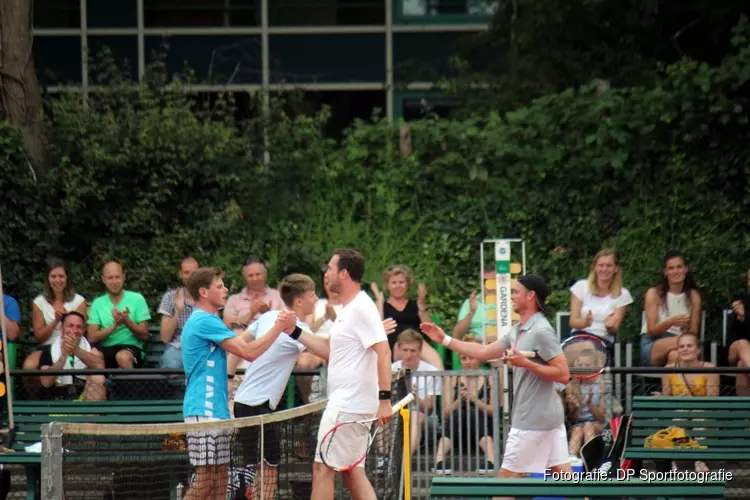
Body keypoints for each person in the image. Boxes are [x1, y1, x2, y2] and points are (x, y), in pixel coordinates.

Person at [421, 274, 572, 478]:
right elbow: (483, 352)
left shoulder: (541, 330)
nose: (511, 297)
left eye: (516, 292)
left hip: (533, 419)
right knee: (566, 479)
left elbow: (563, 374)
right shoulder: (518, 330)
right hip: (545, 417)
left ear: (531, 296)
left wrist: (526, 363)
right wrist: (445, 339)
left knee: (505, 483)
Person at [280, 249, 393, 500]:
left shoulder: (361, 307)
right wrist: (294, 330)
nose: (326, 273)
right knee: (352, 472)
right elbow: (329, 350)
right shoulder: (350, 309)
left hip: (349, 405)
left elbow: (384, 351)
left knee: (322, 468)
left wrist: (385, 399)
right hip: (350, 404)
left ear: (343, 273)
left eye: (330, 268)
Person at [180, 267, 297, 500]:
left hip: (217, 410)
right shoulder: (203, 320)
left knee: (221, 478)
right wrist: (278, 327)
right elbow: (248, 351)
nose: (225, 289)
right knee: (205, 481)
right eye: (219, 285)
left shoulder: (211, 320)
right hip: (203, 410)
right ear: (204, 292)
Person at [431, 335, 494, 474]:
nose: (467, 362)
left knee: (473, 413)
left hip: (483, 426)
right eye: (463, 358)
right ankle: (439, 460)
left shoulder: (490, 377)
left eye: (471, 357)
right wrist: (459, 401)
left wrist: (474, 400)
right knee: (458, 412)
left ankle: (491, 459)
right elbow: (445, 412)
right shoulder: (453, 379)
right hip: (456, 428)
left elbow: (494, 411)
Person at [659, 332, 717, 473]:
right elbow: (667, 399)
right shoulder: (669, 370)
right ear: (677, 350)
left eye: (689, 346)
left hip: (702, 414)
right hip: (679, 412)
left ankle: (699, 459)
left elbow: (713, 399)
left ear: (698, 350)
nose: (685, 349)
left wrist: (691, 401)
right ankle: (674, 460)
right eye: (681, 346)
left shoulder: (710, 369)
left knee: (699, 415)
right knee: (680, 413)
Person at [370, 264, 443, 369]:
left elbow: (429, 328)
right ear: (388, 286)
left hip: (417, 342)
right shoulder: (383, 306)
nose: (398, 286)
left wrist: (422, 306)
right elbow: (376, 330)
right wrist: (379, 301)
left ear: (407, 284)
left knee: (421, 349)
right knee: (406, 349)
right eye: (394, 283)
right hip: (396, 345)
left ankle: (444, 381)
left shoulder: (415, 304)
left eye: (401, 282)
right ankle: (405, 384)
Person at [23, 259, 87, 370]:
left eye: (61, 276)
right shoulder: (39, 302)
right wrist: (56, 321)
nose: (57, 280)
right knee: (29, 366)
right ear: (48, 279)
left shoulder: (79, 301)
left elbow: (81, 331)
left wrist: (67, 320)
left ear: (67, 278)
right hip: (47, 346)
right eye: (53, 276)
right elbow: (39, 337)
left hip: (73, 346)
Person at [640, 251, 702, 367]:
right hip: (654, 344)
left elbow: (694, 333)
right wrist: (670, 322)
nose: (675, 271)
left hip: (682, 346)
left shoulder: (693, 295)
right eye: (671, 268)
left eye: (679, 267)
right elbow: (651, 331)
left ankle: (671, 385)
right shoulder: (654, 293)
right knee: (690, 345)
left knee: (675, 356)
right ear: (665, 272)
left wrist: (687, 328)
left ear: (686, 269)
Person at [568, 249, 633, 356]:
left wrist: (609, 325)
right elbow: (573, 322)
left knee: (589, 350)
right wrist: (585, 323)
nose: (604, 269)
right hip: (578, 336)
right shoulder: (581, 287)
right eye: (601, 265)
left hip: (602, 340)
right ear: (595, 267)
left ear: (616, 268)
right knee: (580, 349)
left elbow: (614, 330)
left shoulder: (623, 294)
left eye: (609, 265)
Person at [87, 262, 151, 369]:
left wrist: (126, 320)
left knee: (122, 357)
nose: (114, 281)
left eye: (117, 277)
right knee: (93, 355)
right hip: (106, 348)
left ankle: (131, 386)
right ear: (104, 279)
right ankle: (98, 385)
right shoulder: (97, 303)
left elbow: (144, 335)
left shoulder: (137, 299)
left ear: (123, 277)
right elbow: (92, 337)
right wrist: (114, 326)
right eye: (110, 278)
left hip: (130, 348)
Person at [391, 329, 442, 458]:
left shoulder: (431, 372)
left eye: (413, 351)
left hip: (426, 420)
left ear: (419, 351)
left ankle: (404, 459)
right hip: (397, 414)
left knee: (415, 416)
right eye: (405, 350)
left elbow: (428, 409)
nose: (408, 355)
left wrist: (413, 398)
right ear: (399, 349)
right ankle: (384, 459)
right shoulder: (391, 369)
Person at [39, 312, 106, 401]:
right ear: (61, 329)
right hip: (57, 402)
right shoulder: (49, 351)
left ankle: (89, 414)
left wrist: (75, 350)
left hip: (85, 400)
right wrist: (63, 358)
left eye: (79, 327)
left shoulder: (91, 348)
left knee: (98, 377)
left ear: (83, 330)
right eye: (70, 326)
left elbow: (100, 366)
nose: (74, 330)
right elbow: (46, 382)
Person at [157, 256, 200, 369]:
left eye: (194, 273)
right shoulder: (170, 297)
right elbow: (165, 338)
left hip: (201, 346)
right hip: (177, 347)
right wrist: (178, 310)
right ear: (180, 274)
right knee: (171, 364)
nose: (190, 277)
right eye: (187, 273)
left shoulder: (207, 296)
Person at [223, 256, 284, 330]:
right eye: (250, 275)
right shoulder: (233, 300)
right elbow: (227, 326)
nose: (254, 278)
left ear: (265, 274)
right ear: (244, 277)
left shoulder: (278, 296)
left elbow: (288, 324)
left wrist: (268, 314)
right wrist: (251, 314)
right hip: (241, 341)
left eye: (258, 274)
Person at [565, 350, 605, 459]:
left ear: (595, 366)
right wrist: (574, 407)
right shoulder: (573, 385)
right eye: (580, 365)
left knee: (588, 425)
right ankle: (572, 458)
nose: (583, 368)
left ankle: (589, 458)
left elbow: (602, 417)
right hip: (579, 424)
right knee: (577, 429)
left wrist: (589, 403)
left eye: (587, 365)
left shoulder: (601, 384)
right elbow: (574, 419)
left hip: (597, 424)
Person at [453, 264, 495, 341]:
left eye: (493, 281)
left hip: (501, 345)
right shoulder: (470, 302)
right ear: (480, 283)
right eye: (485, 281)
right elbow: (456, 335)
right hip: (475, 345)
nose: (489, 285)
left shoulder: (509, 302)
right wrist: (472, 312)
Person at [728, 267, 750, 394]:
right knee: (743, 344)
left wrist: (745, 316)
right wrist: (740, 317)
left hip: (746, 359)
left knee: (742, 365)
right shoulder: (741, 300)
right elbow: (732, 333)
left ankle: (744, 412)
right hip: (736, 348)